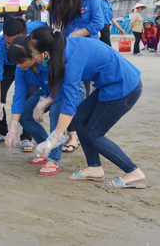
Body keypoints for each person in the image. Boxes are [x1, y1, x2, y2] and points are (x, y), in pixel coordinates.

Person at [29, 26, 145, 188]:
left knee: (93, 134)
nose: (31, 56)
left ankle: (132, 171)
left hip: (124, 88)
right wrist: (45, 102)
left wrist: (52, 140)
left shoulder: (71, 62)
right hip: (108, 85)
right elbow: (63, 88)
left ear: (46, 53)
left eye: (32, 52)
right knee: (80, 119)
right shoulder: (63, 49)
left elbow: (69, 107)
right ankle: (94, 167)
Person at [6, 35, 85, 175]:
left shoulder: (47, 61)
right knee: (24, 115)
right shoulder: (21, 69)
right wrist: (13, 126)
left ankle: (53, 159)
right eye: (16, 63)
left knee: (56, 110)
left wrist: (45, 102)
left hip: (71, 90)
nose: (19, 66)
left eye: (21, 61)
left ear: (32, 55)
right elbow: (18, 95)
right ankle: (45, 147)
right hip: (48, 91)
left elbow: (63, 87)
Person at [48, 0, 104, 150]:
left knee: (82, 93)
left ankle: (78, 135)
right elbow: (55, 24)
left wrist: (79, 33)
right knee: (71, 91)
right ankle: (72, 135)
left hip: (88, 51)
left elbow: (98, 23)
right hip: (67, 51)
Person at [0, 17, 45, 150]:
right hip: (8, 66)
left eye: (15, 42)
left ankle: (26, 137)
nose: (12, 46)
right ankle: (3, 133)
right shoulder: (1, 46)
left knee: (31, 96)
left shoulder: (35, 33)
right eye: (9, 43)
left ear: (26, 36)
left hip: (29, 62)